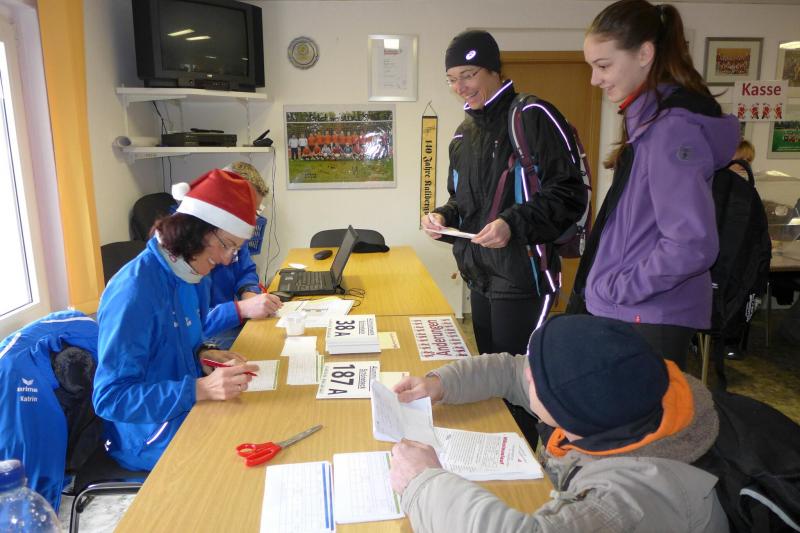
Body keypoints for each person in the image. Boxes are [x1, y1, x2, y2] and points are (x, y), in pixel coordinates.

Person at [389, 314, 729, 532]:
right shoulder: (622, 400)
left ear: (570, 412)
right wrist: (440, 383)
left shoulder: (628, 501)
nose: (527, 373)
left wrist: (423, 481)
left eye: (536, 376)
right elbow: (509, 370)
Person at [569, 0, 740, 369]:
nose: (595, 80)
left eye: (603, 66)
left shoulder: (670, 131)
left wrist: (619, 287)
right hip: (639, 313)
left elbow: (692, 244)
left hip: (646, 316)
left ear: (645, 54)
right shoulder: (650, 125)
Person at [420, 30, 585, 358]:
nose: (459, 87)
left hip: (524, 279)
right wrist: (442, 217)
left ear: (494, 70)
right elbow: (462, 202)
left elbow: (568, 194)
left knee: (518, 380)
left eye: (468, 75)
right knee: (491, 375)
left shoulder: (532, 115)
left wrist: (511, 223)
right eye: (451, 79)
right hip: (480, 278)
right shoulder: (463, 135)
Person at [93, 169, 260, 471]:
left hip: (189, 409)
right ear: (194, 230)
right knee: (238, 466)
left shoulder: (193, 273)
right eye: (227, 244)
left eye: (236, 249)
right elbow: (111, 399)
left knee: (260, 427)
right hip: (148, 434)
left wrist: (204, 353)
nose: (227, 259)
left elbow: (179, 343)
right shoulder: (133, 293)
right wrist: (198, 389)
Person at [202, 162, 282, 349]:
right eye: (247, 209)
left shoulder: (235, 230)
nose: (251, 220)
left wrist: (250, 295)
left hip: (227, 319)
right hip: (210, 331)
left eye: (255, 212)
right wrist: (241, 309)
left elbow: (245, 270)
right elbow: (191, 323)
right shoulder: (188, 246)